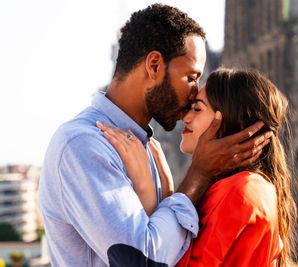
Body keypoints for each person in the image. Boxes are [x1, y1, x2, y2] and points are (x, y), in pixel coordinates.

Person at [38, 4, 271, 267]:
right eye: (191, 77)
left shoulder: (144, 147)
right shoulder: (84, 145)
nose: (195, 92)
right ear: (154, 65)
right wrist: (198, 175)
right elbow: (143, 262)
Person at [98, 68, 297, 267]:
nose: (185, 118)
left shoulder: (239, 190)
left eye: (198, 109)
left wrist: (145, 185)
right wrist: (169, 193)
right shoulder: (243, 186)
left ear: (234, 121)